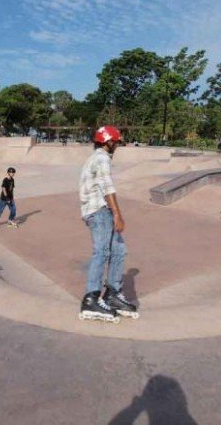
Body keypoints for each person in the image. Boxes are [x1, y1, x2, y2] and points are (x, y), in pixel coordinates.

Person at [77, 125, 139, 323]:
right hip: (99, 211)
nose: (117, 146)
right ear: (108, 142)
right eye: (116, 143)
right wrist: (117, 214)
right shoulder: (102, 158)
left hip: (100, 211)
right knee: (102, 252)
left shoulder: (95, 158)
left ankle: (112, 294)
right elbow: (107, 187)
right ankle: (91, 298)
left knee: (119, 250)